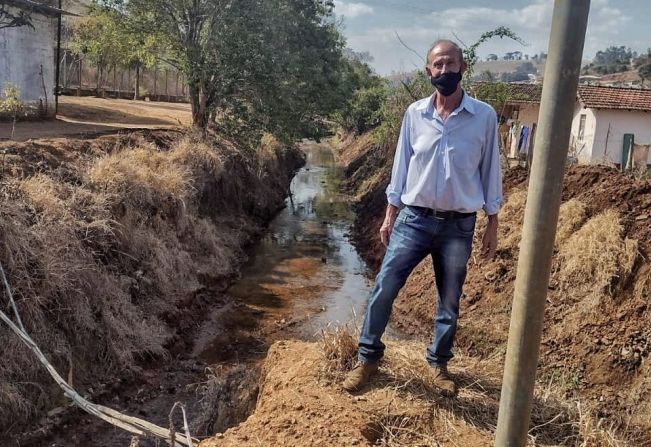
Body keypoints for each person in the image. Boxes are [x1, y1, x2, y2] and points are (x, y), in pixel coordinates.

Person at [342, 39, 503, 396]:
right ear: (428, 71)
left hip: (459, 225)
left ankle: (439, 365)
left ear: (463, 68)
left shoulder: (484, 117)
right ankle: (367, 359)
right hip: (413, 220)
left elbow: (491, 170)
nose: (444, 71)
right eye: (438, 65)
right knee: (384, 287)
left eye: (451, 64)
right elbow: (401, 168)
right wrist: (389, 216)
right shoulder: (415, 114)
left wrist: (493, 223)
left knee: (449, 300)